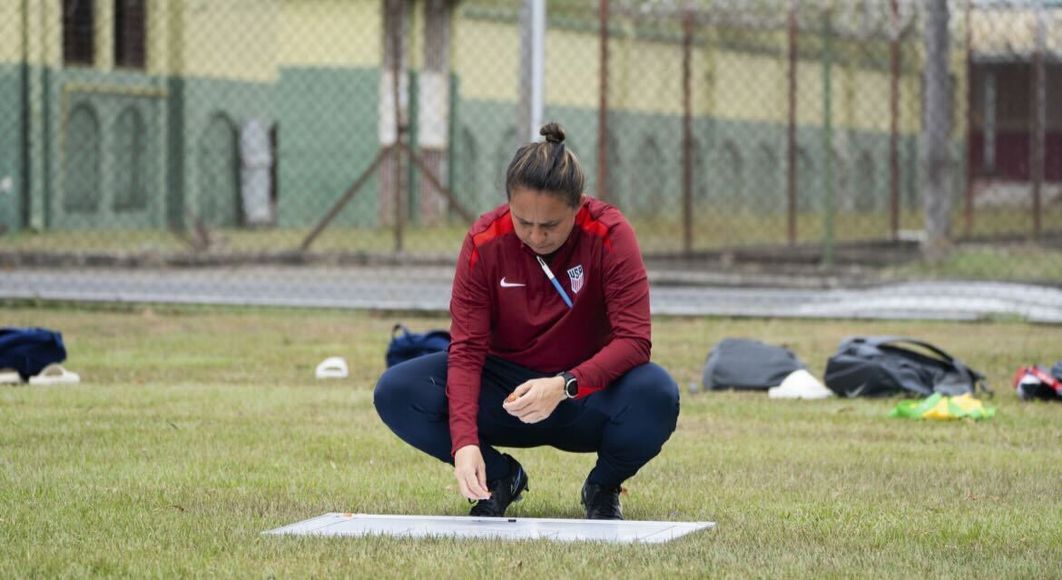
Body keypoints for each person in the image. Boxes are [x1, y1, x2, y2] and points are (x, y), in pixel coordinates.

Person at [374, 122, 679, 520]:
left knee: (657, 393)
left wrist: (565, 384)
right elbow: (465, 351)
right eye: (523, 222)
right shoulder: (484, 241)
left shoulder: (610, 233)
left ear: (577, 206)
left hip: (583, 392)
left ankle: (603, 487)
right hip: (504, 393)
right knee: (396, 391)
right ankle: (501, 478)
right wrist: (464, 443)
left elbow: (635, 340)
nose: (535, 236)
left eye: (550, 225)